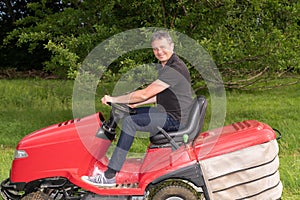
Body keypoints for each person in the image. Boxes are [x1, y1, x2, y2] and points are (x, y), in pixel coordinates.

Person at [82, 31, 193, 187]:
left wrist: (114, 99)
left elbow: (145, 94)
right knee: (130, 114)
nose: (159, 52)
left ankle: (109, 176)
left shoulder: (174, 68)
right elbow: (159, 95)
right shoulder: (169, 65)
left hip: (175, 120)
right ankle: (104, 164)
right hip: (169, 113)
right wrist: (134, 105)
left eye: (163, 47)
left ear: (172, 46)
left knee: (130, 123)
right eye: (155, 49)